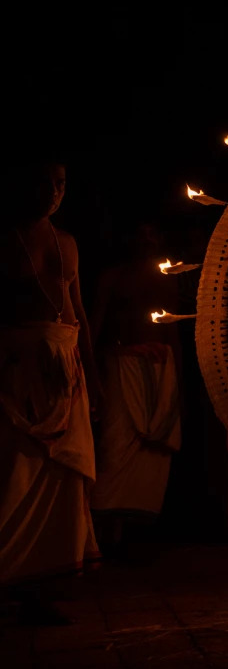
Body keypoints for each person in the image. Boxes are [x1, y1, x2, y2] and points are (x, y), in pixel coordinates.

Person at [0, 155, 101, 623]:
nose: (54, 192)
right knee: (17, 474)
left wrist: (93, 377)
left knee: (63, 478)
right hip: (20, 372)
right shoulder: (5, 241)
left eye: (61, 183)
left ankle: (41, 583)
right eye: (44, 182)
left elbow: (77, 312)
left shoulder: (68, 243)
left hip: (68, 369)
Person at [89, 222, 183, 557]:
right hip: (121, 365)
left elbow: (172, 331)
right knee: (115, 447)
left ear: (159, 237)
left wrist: (177, 381)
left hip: (161, 370)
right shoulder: (113, 277)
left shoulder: (167, 278)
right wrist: (99, 367)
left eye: (151, 233)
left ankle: (134, 537)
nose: (146, 239)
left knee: (151, 453)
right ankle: (103, 532)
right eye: (139, 233)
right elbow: (95, 327)